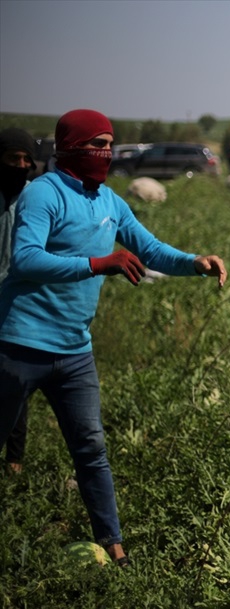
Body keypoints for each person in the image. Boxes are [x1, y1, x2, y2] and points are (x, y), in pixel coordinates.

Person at [0, 109, 228, 567]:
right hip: (18, 344)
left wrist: (194, 262)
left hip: (74, 352)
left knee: (92, 449)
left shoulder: (109, 202)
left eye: (110, 143)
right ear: (70, 148)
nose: (105, 152)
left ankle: (115, 546)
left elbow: (150, 248)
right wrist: (97, 264)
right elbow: (24, 259)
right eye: (96, 144)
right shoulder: (44, 194)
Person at [0, 127, 37, 474]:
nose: (21, 165)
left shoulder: (32, 196)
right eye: (13, 158)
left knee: (16, 381)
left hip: (18, 303)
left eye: (27, 160)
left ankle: (15, 458)